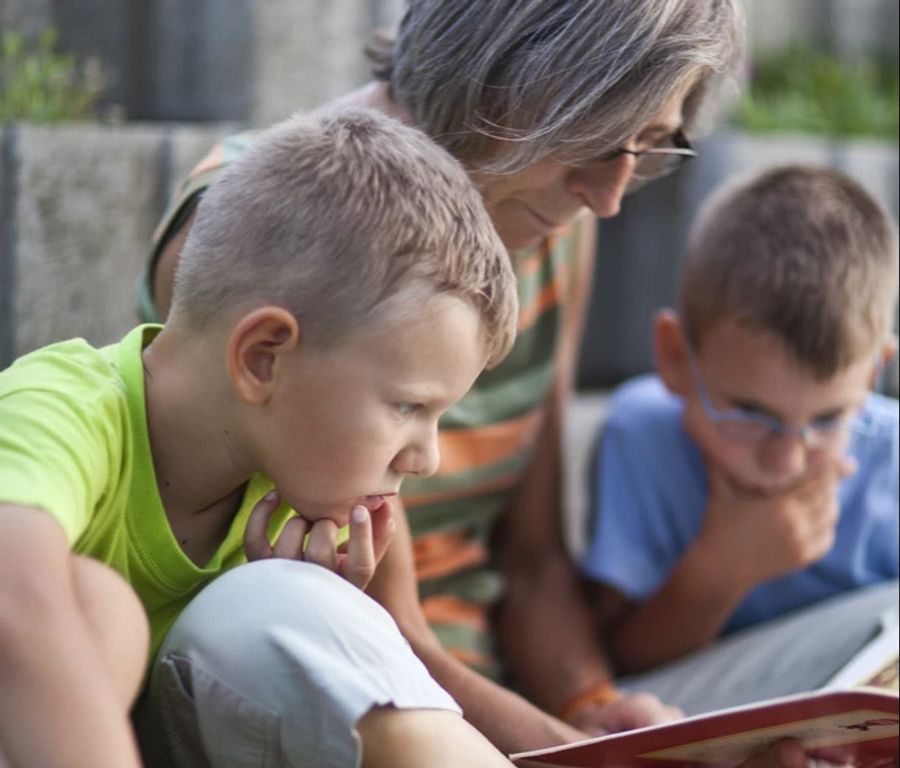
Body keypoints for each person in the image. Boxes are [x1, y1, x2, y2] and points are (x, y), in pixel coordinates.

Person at [141, 0, 745, 749]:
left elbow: (532, 564)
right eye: (593, 141)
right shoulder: (268, 231)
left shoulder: (551, 219)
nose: (611, 195)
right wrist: (576, 751)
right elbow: (381, 626)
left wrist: (590, 704)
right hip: (345, 690)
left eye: (648, 147)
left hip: (498, 700)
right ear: (497, 74)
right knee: (282, 609)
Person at [0, 107, 524, 768]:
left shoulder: (293, 483)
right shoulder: (62, 406)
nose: (427, 457)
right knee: (100, 605)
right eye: (408, 406)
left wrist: (325, 604)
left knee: (285, 602)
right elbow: (12, 594)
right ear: (264, 359)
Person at [582, 165, 900, 714]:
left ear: (874, 375)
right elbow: (621, 658)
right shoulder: (641, 435)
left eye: (828, 419)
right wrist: (724, 570)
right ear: (676, 358)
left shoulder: (889, 451)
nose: (787, 461)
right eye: (752, 413)